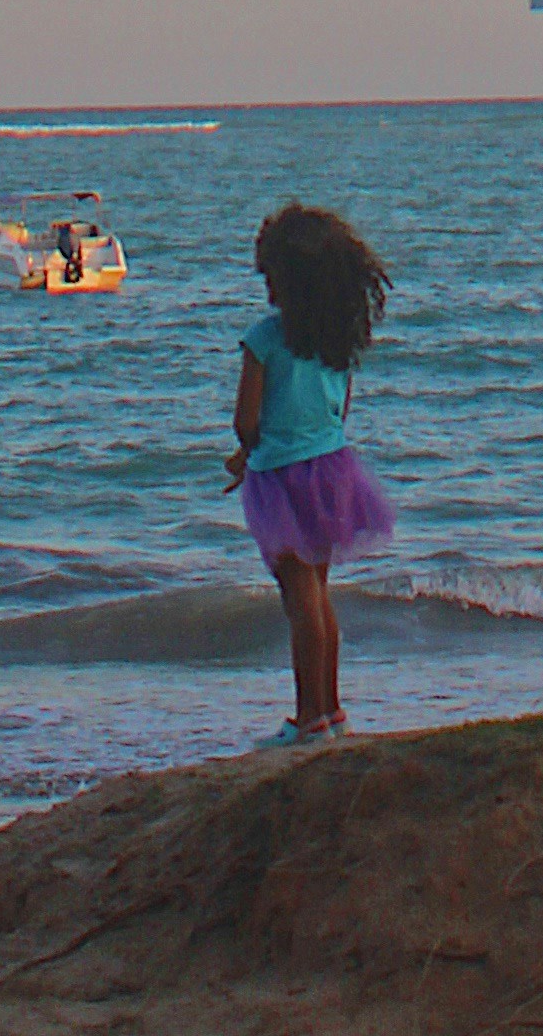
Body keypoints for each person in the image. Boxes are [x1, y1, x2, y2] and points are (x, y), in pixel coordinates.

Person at [221, 200, 394, 740]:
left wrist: (243, 452)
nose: (267, 288)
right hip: (334, 468)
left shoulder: (264, 339)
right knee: (319, 589)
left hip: (281, 477)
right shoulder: (338, 338)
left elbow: (245, 419)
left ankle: (308, 719)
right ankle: (332, 709)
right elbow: (340, 409)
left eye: (271, 277)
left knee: (300, 598)